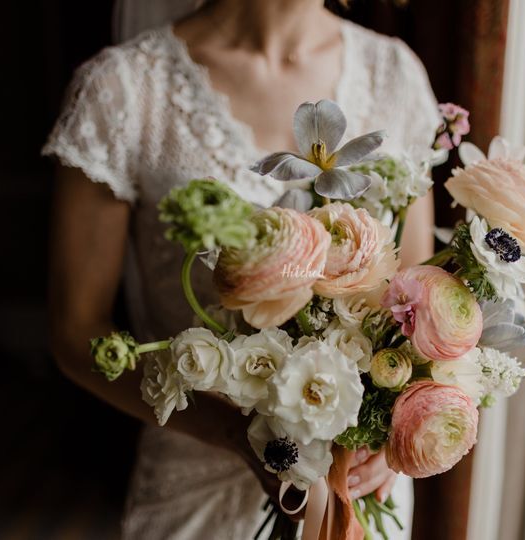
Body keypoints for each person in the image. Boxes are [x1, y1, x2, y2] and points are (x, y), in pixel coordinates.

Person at [44, 0, 439, 537]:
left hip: (358, 485)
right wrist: (241, 435)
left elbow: (416, 307)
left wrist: (388, 430)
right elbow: (75, 332)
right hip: (194, 482)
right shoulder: (124, 90)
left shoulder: (395, 75)